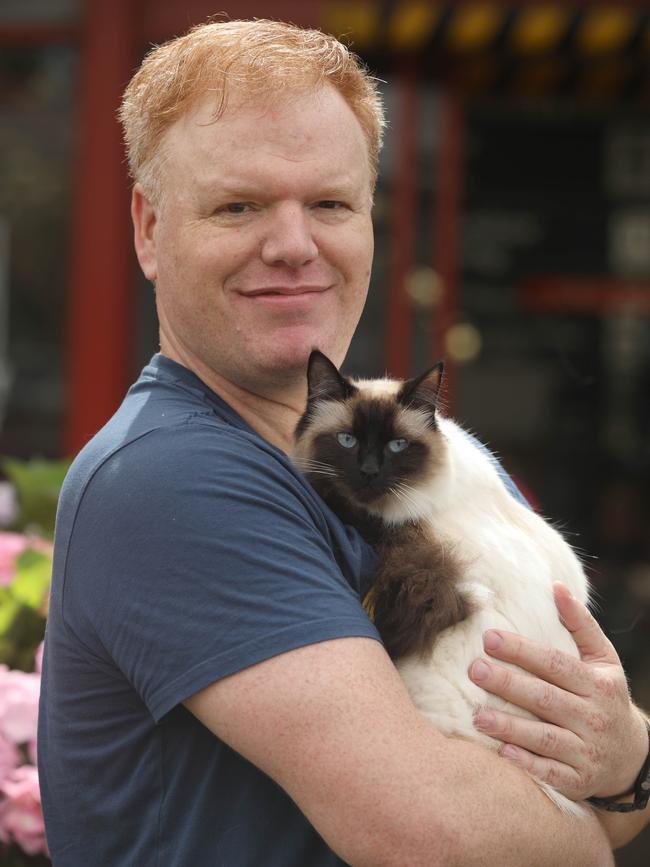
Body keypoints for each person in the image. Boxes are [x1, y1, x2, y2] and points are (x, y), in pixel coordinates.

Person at [38, 19, 649, 866]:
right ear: (149, 229)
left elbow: (613, 760)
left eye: (329, 203)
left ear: (369, 219)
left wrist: (624, 770)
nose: (293, 246)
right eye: (238, 205)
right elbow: (430, 835)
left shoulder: (431, 452)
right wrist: (596, 822)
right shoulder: (168, 477)